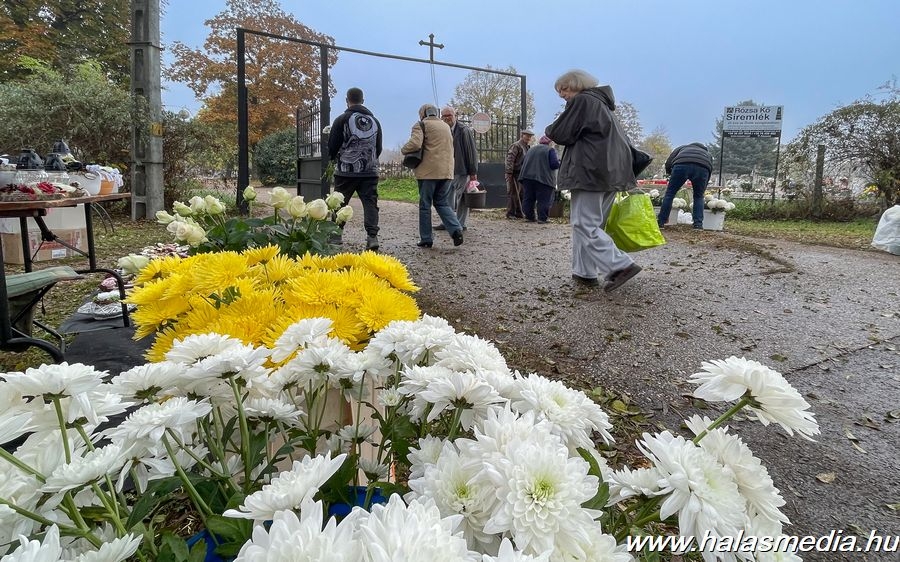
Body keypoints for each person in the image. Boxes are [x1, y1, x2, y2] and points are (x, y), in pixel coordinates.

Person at [545, 69, 641, 292]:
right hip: (611, 172)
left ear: (578, 84)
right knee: (592, 224)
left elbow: (559, 133)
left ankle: (621, 265)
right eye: (560, 91)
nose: (562, 95)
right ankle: (585, 272)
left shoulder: (584, 101)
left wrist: (549, 128)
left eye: (565, 89)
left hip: (590, 171)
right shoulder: (602, 104)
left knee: (584, 223)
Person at [327, 87, 383, 251]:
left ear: (347, 100)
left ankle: (336, 236)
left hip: (346, 171)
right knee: (370, 204)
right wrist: (369, 161)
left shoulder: (341, 119)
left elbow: (332, 146)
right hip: (370, 171)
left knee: (340, 203)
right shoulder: (375, 121)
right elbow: (378, 148)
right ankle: (372, 237)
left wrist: (335, 158)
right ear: (363, 101)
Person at [400, 103, 464, 248]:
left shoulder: (421, 125)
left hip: (428, 173)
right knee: (442, 202)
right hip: (446, 172)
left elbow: (415, 144)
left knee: (425, 205)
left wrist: (404, 150)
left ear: (423, 113)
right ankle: (456, 230)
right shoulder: (445, 126)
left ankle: (426, 239)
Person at [434, 106, 478, 231]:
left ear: (455, 116)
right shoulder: (443, 130)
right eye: (444, 116)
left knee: (462, 198)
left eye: (449, 115)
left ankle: (460, 223)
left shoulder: (464, 130)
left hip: (461, 170)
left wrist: (473, 171)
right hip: (447, 169)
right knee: (446, 197)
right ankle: (447, 221)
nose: (447, 118)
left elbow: (471, 152)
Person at [657, 143, 713, 229]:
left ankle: (661, 222)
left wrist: (670, 174)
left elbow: (668, 162)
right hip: (702, 168)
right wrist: (704, 186)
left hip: (681, 165)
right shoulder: (707, 154)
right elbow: (709, 169)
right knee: (698, 196)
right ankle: (698, 224)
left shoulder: (681, 147)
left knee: (670, 194)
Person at [518, 134, 560, 223]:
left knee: (528, 197)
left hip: (527, 177)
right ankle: (542, 218)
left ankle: (529, 217)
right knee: (543, 198)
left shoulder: (531, 149)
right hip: (543, 178)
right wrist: (559, 162)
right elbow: (554, 164)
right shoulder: (550, 150)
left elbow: (523, 161)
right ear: (550, 143)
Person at [504, 129, 534, 219]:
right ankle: (510, 213)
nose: (528, 138)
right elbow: (510, 159)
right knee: (513, 193)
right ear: (522, 135)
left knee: (521, 193)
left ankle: (519, 212)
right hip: (514, 173)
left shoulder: (527, 147)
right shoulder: (516, 145)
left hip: (522, 173)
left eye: (530, 136)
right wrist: (509, 172)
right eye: (527, 135)